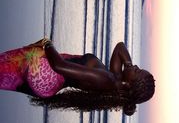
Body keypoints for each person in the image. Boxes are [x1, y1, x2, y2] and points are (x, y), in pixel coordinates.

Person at [0, 39, 155, 115]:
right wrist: (128, 66)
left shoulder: (105, 78)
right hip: (46, 85)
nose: (135, 66)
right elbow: (120, 47)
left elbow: (60, 66)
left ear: (129, 85)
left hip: (46, 70)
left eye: (137, 71)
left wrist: (47, 43)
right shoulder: (114, 82)